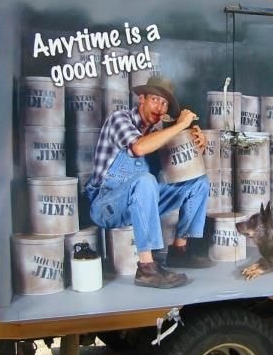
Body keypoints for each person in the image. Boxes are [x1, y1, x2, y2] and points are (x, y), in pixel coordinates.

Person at [84, 76, 213, 289]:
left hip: (137, 203)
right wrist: (181, 124)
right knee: (145, 180)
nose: (160, 108)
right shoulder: (120, 119)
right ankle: (146, 268)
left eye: (164, 104)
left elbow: (178, 168)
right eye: (155, 100)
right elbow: (139, 148)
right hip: (107, 206)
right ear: (141, 99)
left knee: (198, 182)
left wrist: (196, 144)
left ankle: (179, 250)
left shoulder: (156, 134)